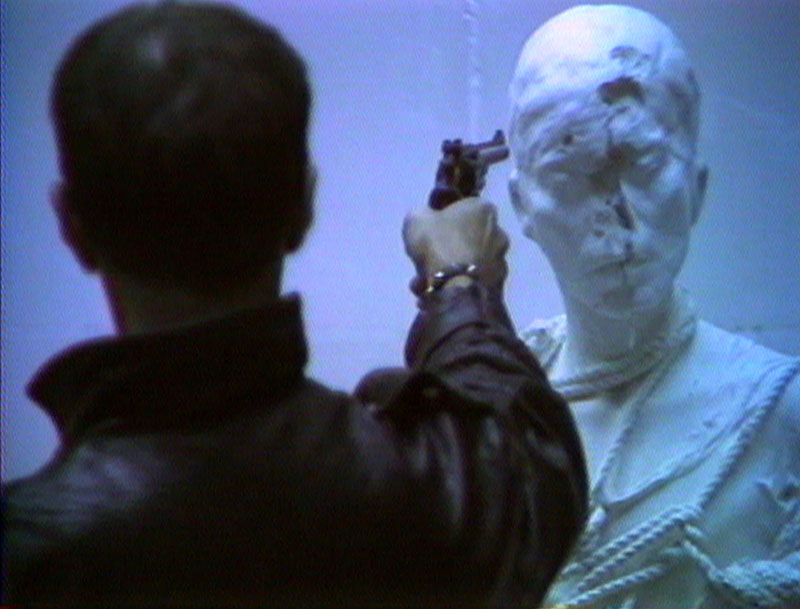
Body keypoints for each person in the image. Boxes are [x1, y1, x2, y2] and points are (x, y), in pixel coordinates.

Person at [1, 2, 588, 606]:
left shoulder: (29, 555)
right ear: (305, 206)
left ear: (70, 225)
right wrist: (460, 283)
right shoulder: (418, 497)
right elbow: (530, 465)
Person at [506, 5, 800, 608]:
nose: (616, 217)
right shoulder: (489, 416)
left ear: (696, 186)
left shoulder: (780, 415)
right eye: (571, 175)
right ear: (523, 205)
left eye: (642, 167)